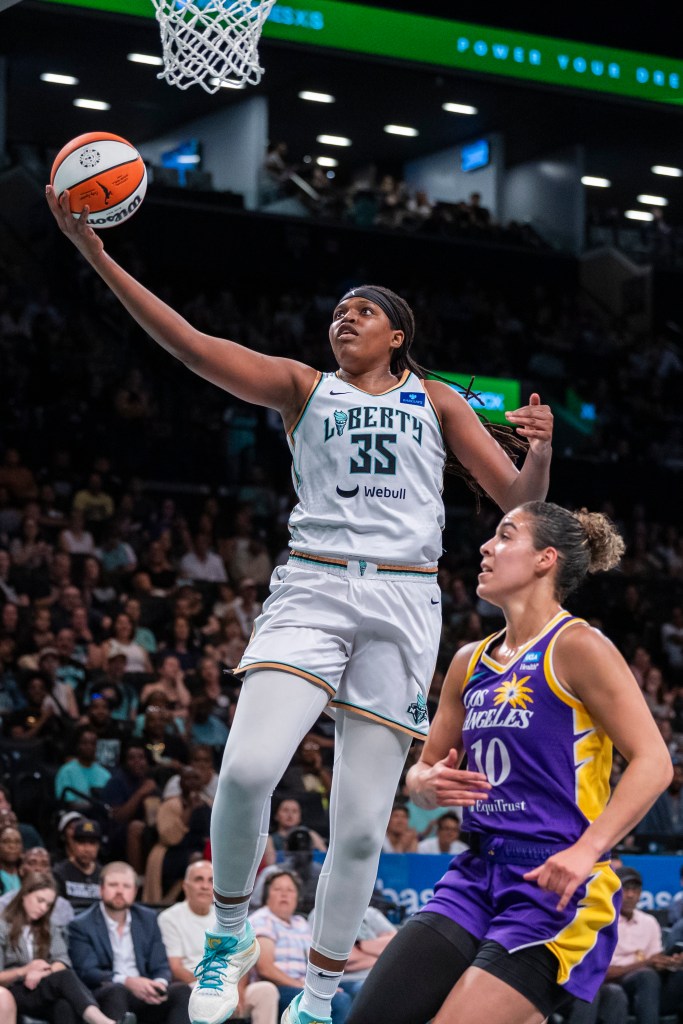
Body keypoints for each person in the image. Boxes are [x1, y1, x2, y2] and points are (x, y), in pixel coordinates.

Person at [46, 185, 554, 1024]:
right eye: (336, 310)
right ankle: (229, 937)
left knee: (358, 832)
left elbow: (517, 501)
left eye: (362, 311)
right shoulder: (300, 386)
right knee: (245, 769)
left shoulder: (434, 401)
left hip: (402, 598)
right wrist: (98, 254)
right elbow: (190, 345)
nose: (342, 319)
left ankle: (317, 998)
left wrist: (535, 453)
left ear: (398, 334)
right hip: (313, 584)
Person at [344, 502, 673, 1024]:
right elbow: (425, 771)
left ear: (545, 559)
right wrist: (423, 783)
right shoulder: (467, 661)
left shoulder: (578, 646)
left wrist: (589, 849)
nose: (485, 547)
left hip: (555, 883)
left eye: (504, 536)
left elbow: (655, 762)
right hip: (475, 875)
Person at [0, 870, 134, 1024]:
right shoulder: (3, 927)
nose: (43, 908)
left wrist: (44, 972)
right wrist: (24, 971)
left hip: (42, 987)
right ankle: (105, 1022)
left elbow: (62, 960)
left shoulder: (48, 927)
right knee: (65, 977)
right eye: (40, 900)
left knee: (63, 1006)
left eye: (48, 904)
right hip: (13, 990)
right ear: (24, 895)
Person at [68, 860, 191, 1024]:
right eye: (113, 885)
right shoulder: (82, 924)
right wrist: (128, 982)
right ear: (101, 889)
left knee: (182, 991)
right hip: (107, 993)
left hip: (146, 993)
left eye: (126, 886)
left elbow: (161, 965)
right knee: (116, 991)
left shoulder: (148, 919)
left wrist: (158, 985)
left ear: (135, 891)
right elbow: (88, 971)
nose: (120, 891)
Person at [158, 860, 279, 1024]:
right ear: (185, 886)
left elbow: (241, 959)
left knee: (266, 991)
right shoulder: (169, 917)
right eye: (198, 879)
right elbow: (176, 967)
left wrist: (237, 989)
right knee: (198, 997)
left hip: (229, 982)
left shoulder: (229, 918)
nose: (205, 886)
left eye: (211, 881)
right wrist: (212, 988)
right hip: (195, 984)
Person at [249, 869, 351, 1023]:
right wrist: (304, 987)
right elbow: (265, 968)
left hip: (302, 985)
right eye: (277, 889)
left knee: (351, 992)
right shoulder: (262, 919)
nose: (284, 894)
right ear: (266, 896)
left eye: (290, 890)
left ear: (297, 898)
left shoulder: (301, 923)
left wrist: (322, 988)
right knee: (339, 1001)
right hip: (276, 988)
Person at [600, 865, 683, 1024]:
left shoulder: (649, 922)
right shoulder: (603, 923)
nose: (630, 895)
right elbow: (604, 973)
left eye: (635, 890)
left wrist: (672, 963)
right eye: (625, 889)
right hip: (614, 985)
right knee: (646, 975)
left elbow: (655, 959)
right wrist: (646, 963)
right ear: (614, 891)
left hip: (647, 988)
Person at [53, 817, 103, 912]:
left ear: (98, 846)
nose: (87, 849)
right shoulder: (59, 873)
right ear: (73, 844)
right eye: (81, 842)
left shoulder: (104, 875)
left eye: (92, 843)